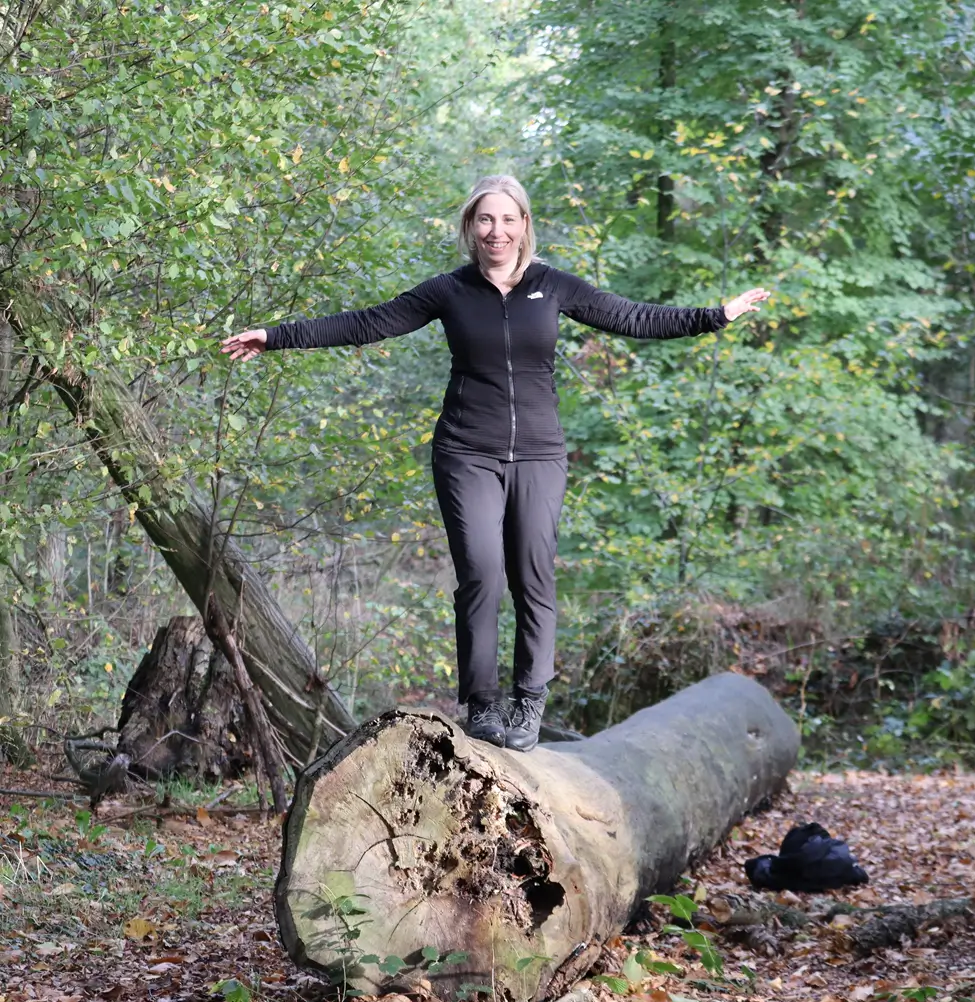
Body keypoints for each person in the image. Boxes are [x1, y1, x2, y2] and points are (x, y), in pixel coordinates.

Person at [220, 174, 770, 752]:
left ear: (524, 225)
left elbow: (634, 317)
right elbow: (366, 323)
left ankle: (529, 701)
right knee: (482, 574)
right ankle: (482, 704)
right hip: (466, 452)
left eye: (508, 219)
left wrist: (716, 315)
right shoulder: (449, 291)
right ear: (470, 227)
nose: (497, 231)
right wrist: (275, 336)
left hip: (539, 454)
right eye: (485, 219)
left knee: (534, 575)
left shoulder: (552, 287)